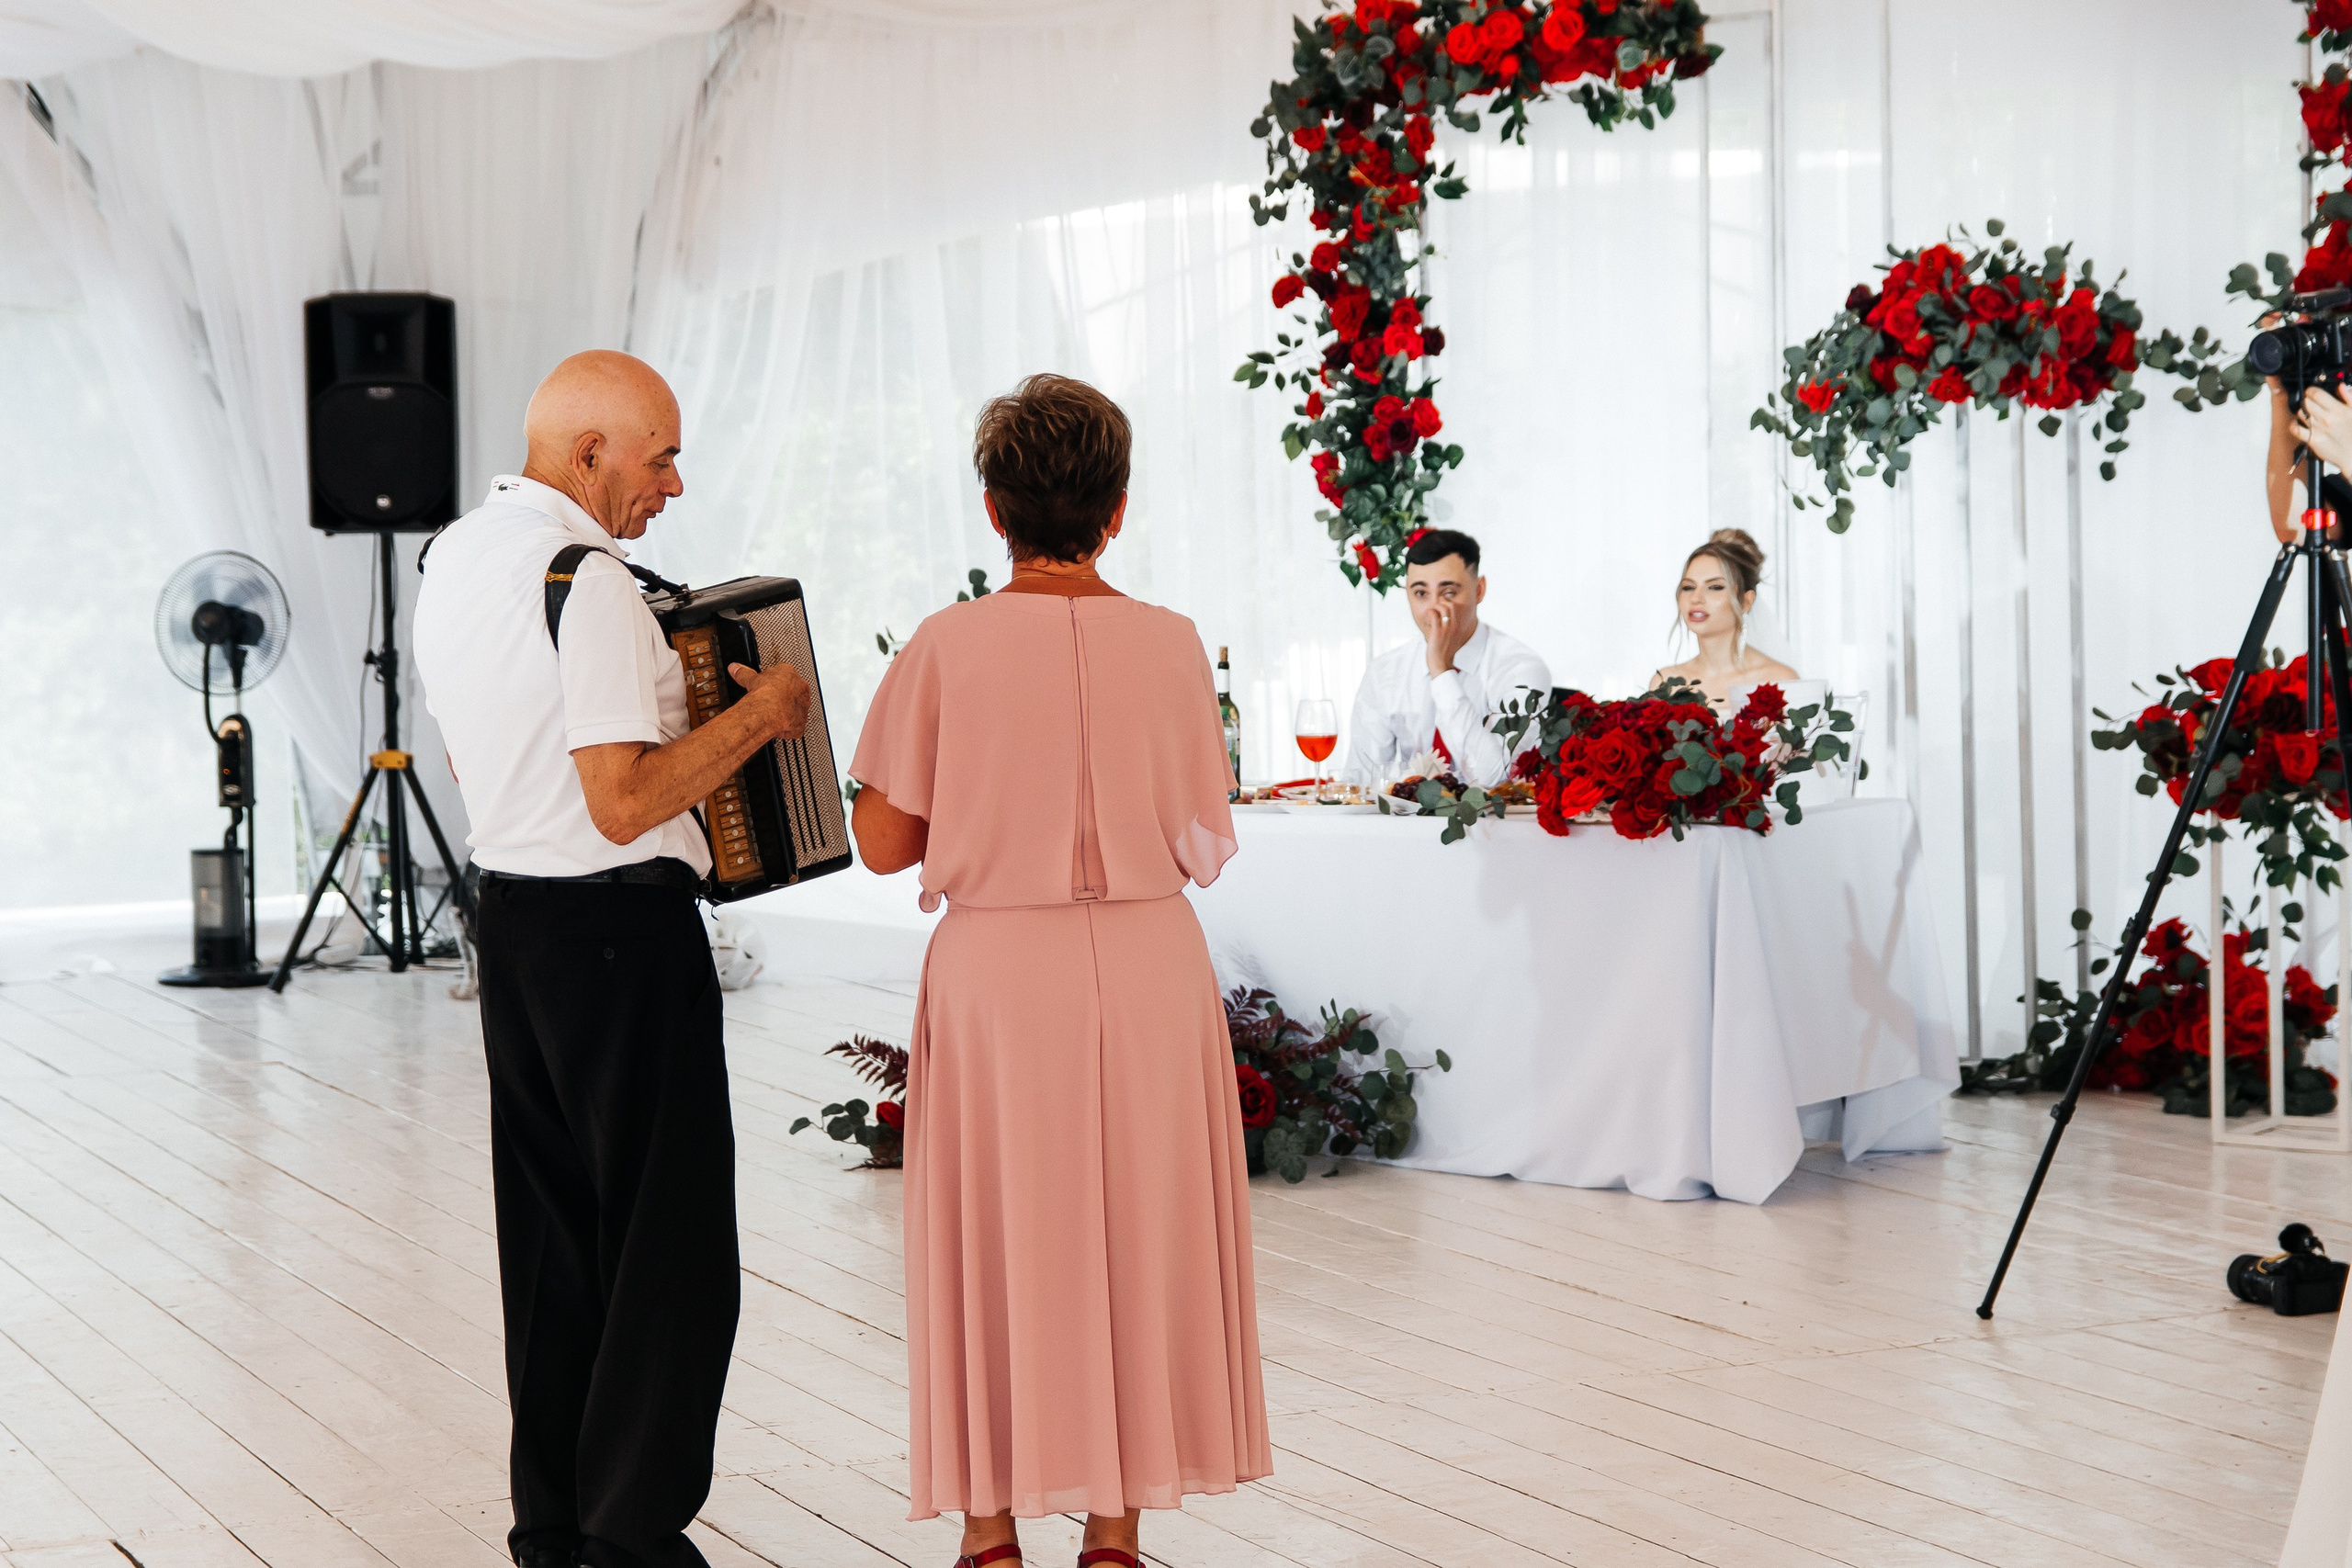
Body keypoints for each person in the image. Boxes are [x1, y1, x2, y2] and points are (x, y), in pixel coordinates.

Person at [846, 373, 1270, 1568]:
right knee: (1136, 1224)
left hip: (996, 965)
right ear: (1118, 509)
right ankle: (1117, 1526)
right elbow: (1199, 834)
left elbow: (883, 844)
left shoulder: (945, 644)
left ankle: (989, 1522)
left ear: (994, 511)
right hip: (1147, 959)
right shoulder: (1176, 644)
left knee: (997, 1229)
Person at [413, 350, 811, 1568]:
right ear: (589, 454)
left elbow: (504, 762)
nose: (675, 484)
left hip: (516, 921)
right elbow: (624, 799)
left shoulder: (455, 558)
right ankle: (632, 1531)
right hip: (620, 931)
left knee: (552, 1239)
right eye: (661, 454)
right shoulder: (585, 580)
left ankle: (556, 1523)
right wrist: (763, 714)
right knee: (669, 1246)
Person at [1343, 527, 1552, 787]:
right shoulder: (1384, 673)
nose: (1434, 609)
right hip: (1406, 825)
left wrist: (1441, 671)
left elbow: (1495, 777)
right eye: (1421, 593)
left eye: (1449, 593)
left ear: (1479, 590)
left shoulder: (1520, 667)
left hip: (1495, 826)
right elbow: (1361, 783)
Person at [1650, 527, 1800, 710]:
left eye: (1715, 587)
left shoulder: (1780, 680)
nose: (1696, 598)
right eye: (1688, 587)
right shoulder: (1664, 684)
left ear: (1746, 601)